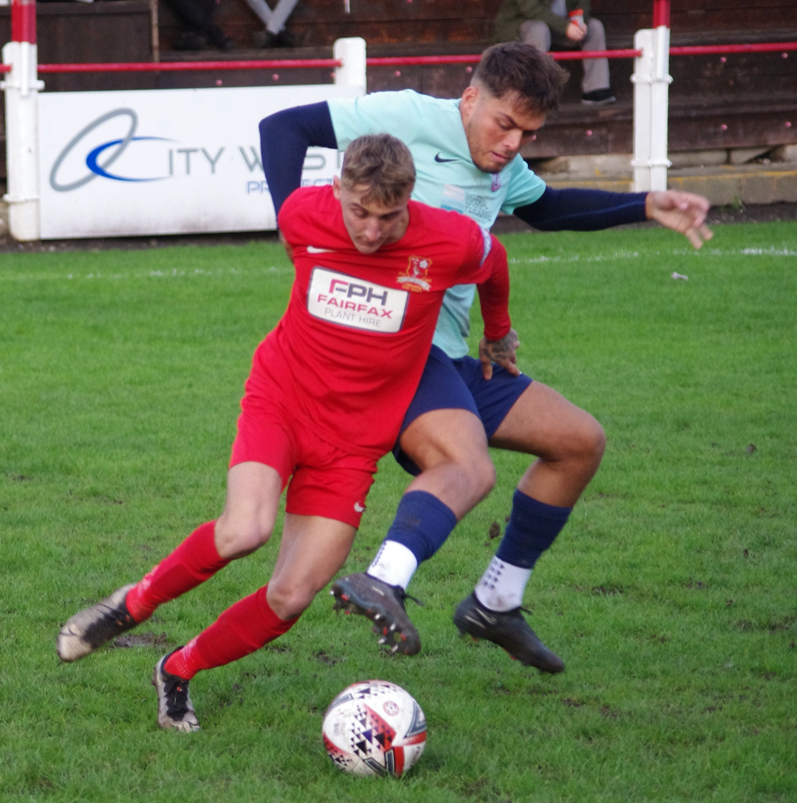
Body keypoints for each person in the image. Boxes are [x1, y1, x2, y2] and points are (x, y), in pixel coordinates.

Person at [258, 42, 712, 674]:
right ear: (471, 99)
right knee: (465, 465)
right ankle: (385, 578)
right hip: (395, 356)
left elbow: (548, 210)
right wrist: (294, 226)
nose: (513, 143)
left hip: (450, 359)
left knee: (579, 442)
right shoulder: (409, 117)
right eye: (505, 124)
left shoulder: (504, 165)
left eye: (528, 133)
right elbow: (283, 128)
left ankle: (496, 602)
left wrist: (643, 204)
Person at [56, 134, 516, 732]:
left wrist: (497, 332)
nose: (372, 230)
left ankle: (177, 668)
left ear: (410, 199)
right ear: (337, 189)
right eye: (359, 211)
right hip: (283, 402)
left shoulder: (449, 239)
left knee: (292, 595)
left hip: (355, 442)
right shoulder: (303, 214)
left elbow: (494, 264)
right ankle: (131, 604)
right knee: (245, 530)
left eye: (389, 217)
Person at [494, 0, 614, 105]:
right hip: (521, 26)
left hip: (560, 26)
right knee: (539, 29)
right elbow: (532, 10)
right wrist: (565, 27)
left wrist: (582, 22)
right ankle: (535, 91)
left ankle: (595, 90)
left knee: (595, 27)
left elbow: (582, 2)